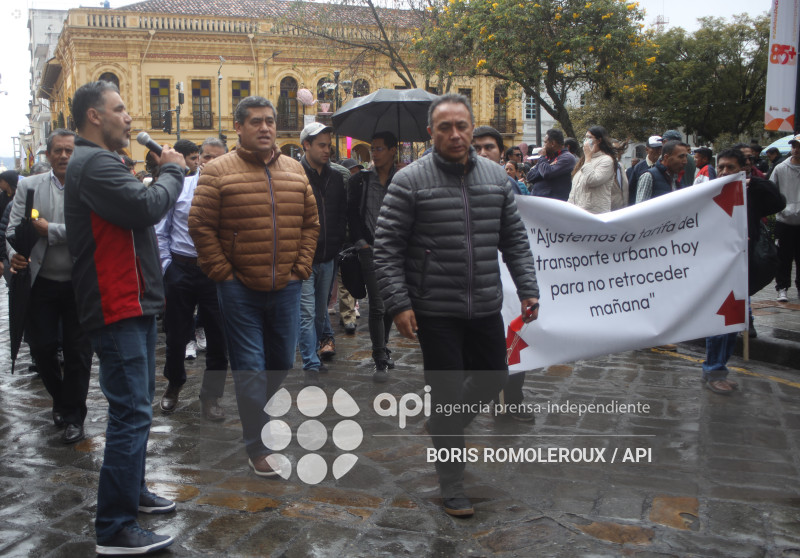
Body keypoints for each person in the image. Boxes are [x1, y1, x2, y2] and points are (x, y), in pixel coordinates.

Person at [374, 93, 540, 517]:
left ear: (471, 127)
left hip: (484, 303)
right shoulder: (409, 180)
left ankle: (444, 424)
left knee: (494, 376)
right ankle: (452, 483)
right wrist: (398, 303)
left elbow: (514, 240)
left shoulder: (495, 178)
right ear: (431, 132)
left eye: (461, 126)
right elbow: (387, 249)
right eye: (445, 127)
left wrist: (528, 287)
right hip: (435, 309)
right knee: (446, 394)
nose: (454, 134)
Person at [64, 80, 184, 555]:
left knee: (137, 408)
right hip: (116, 305)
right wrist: (171, 172)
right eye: (119, 109)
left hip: (132, 301)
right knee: (131, 412)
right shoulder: (94, 163)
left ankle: (132, 492)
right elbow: (144, 207)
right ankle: (114, 527)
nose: (129, 117)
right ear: (94, 116)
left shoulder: (103, 162)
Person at [189, 96, 318, 477]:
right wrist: (223, 273)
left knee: (281, 363)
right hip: (239, 289)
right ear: (239, 127)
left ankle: (259, 414)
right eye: (256, 121)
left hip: (286, 286)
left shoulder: (294, 169)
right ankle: (257, 446)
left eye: (269, 121)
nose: (265, 128)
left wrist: (300, 267)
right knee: (250, 368)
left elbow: (310, 223)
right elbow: (200, 226)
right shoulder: (218, 171)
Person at [6, 130, 92, 444]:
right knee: (42, 349)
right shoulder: (29, 186)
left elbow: (91, 230)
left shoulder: (89, 186)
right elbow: (13, 229)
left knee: (78, 353)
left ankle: (74, 416)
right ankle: (60, 399)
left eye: (70, 150)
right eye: (58, 150)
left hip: (79, 283)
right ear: (48, 154)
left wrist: (50, 230)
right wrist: (13, 255)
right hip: (40, 282)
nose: (64, 156)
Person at [155, 141, 229, 421]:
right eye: (205, 157)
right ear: (198, 159)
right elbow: (161, 230)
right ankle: (174, 384)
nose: (209, 162)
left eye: (217, 158)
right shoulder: (181, 187)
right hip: (181, 268)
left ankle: (211, 396)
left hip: (216, 272)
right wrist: (167, 268)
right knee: (176, 335)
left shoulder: (231, 192)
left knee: (219, 337)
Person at [702, 148, 785, 394]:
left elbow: (778, 201)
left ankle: (717, 369)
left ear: (743, 169)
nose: (724, 172)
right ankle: (714, 371)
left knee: (732, 322)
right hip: (718, 268)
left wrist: (752, 183)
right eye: (721, 167)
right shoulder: (707, 193)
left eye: (731, 167)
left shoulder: (751, 192)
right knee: (720, 321)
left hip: (741, 267)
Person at [298, 122, 347, 387]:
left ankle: (318, 347)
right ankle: (310, 363)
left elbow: (340, 214)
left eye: (329, 145)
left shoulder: (336, 177)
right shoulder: (295, 175)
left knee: (319, 311)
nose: (327, 150)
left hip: (329, 256)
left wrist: (337, 243)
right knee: (306, 313)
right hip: (304, 257)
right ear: (306, 145)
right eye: (321, 145)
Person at [347, 131, 398, 382]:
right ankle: (379, 355)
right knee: (377, 304)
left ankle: (384, 345)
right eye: (373, 148)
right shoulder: (361, 180)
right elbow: (351, 213)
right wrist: (362, 243)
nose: (374, 153)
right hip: (370, 249)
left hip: (396, 251)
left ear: (392, 151)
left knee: (389, 303)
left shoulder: (402, 180)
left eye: (379, 148)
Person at [568, 126, 625, 214]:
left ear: (599, 140)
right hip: (577, 212)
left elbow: (592, 180)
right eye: (585, 137)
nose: (586, 141)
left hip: (593, 213)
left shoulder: (606, 160)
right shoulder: (585, 160)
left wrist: (588, 158)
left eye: (589, 137)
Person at [772, 135, 800, 303]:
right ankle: (782, 288)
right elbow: (771, 190)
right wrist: (780, 208)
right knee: (783, 257)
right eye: (794, 146)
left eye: (798, 146)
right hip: (784, 221)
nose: (796, 150)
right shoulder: (780, 168)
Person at [527, 128, 577, 201]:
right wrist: (546, 166)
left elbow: (547, 173)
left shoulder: (567, 158)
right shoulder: (547, 157)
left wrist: (543, 159)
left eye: (545, 142)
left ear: (553, 143)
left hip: (553, 202)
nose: (543, 146)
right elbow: (530, 176)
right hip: (537, 199)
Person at [627, 135, 662, 206]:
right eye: (655, 148)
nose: (658, 151)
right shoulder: (638, 168)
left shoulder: (664, 166)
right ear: (647, 149)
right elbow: (632, 190)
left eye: (660, 148)